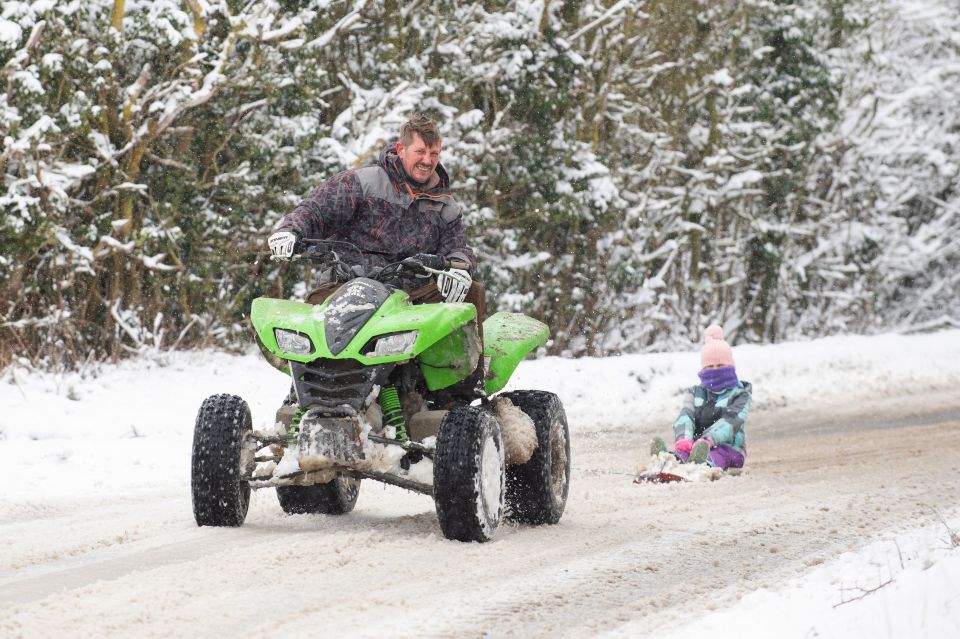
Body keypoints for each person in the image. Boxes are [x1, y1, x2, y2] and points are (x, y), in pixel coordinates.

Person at [267, 113, 486, 393]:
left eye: (434, 153)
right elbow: (316, 209)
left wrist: (458, 267)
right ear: (401, 149)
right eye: (420, 151)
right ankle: (305, 393)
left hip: (411, 291)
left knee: (471, 292)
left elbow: (458, 247)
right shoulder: (362, 183)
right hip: (347, 282)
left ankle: (461, 391)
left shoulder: (444, 205)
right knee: (312, 330)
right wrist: (290, 230)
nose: (427, 161)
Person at [651, 324, 752, 469]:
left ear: (730, 365)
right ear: (703, 368)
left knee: (718, 454)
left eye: (720, 365)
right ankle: (669, 460)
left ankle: (704, 464)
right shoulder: (695, 393)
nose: (715, 370)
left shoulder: (740, 394)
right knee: (684, 451)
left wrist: (708, 440)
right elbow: (686, 415)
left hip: (730, 449)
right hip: (697, 446)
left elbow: (731, 421)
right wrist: (684, 439)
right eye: (710, 366)